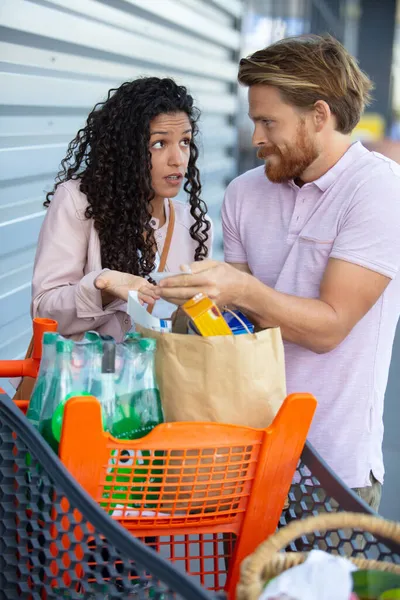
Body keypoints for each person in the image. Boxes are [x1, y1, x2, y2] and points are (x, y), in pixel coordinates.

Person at [156, 35, 400, 510]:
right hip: (243, 458)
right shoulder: (246, 193)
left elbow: (329, 327)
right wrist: (188, 299)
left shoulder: (379, 192)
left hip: (333, 470)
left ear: (319, 115)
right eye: (253, 121)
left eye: (268, 121)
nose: (256, 138)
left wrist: (239, 288)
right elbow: (238, 328)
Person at [31, 77, 212, 341]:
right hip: (88, 379)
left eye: (185, 141)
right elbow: (45, 309)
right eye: (159, 144)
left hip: (160, 379)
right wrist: (103, 287)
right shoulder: (78, 202)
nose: (178, 159)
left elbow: (190, 327)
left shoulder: (195, 226)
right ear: (126, 149)